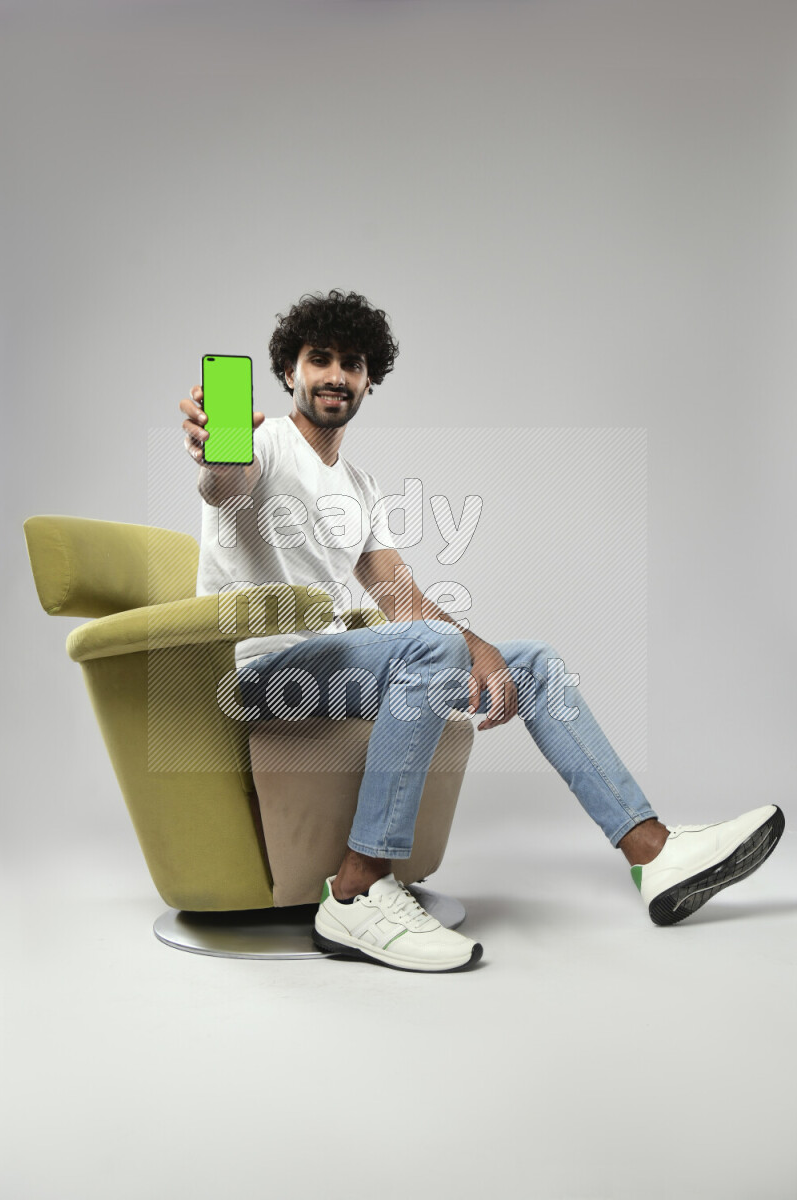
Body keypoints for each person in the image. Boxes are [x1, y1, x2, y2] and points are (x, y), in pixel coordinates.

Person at [180, 289, 784, 973]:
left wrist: (481, 648)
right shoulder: (261, 444)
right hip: (264, 674)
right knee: (435, 648)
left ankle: (654, 851)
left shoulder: (358, 486)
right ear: (289, 371)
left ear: (369, 381)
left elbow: (401, 600)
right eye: (319, 360)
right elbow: (226, 484)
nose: (335, 377)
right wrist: (214, 449)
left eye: (352, 364)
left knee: (533, 664)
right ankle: (356, 892)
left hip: (329, 666)